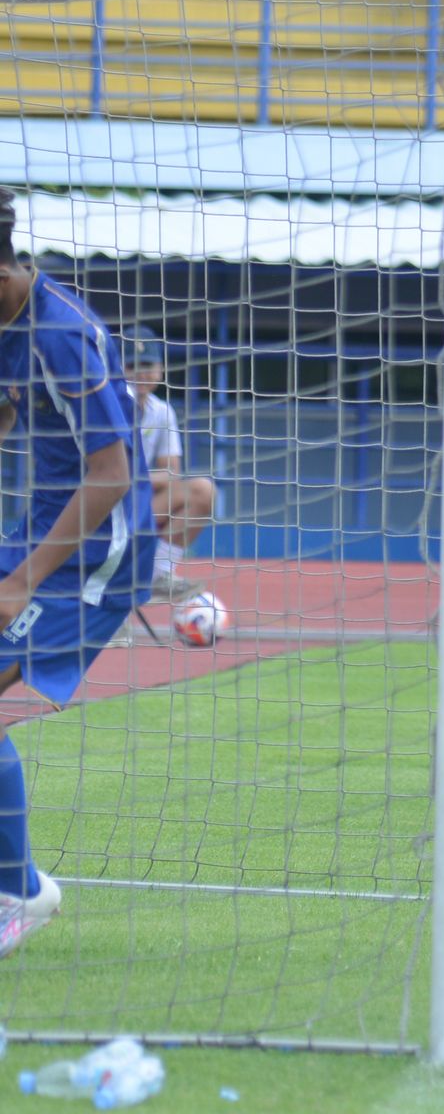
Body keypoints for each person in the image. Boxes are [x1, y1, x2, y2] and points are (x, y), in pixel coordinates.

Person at [0, 187, 156, 955]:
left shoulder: (60, 334)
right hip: (39, 534)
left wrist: (22, 579)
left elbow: (113, 473)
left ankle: (18, 893)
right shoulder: (9, 323)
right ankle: (20, 883)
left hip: (98, 558)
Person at [123, 329, 213, 604]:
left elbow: (171, 473)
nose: (141, 373)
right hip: (94, 508)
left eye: (148, 366)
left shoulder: (161, 411)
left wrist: (133, 480)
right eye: (132, 366)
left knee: (201, 491)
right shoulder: (107, 403)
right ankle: (108, 606)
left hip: (134, 498)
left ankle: (158, 574)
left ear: (160, 369)